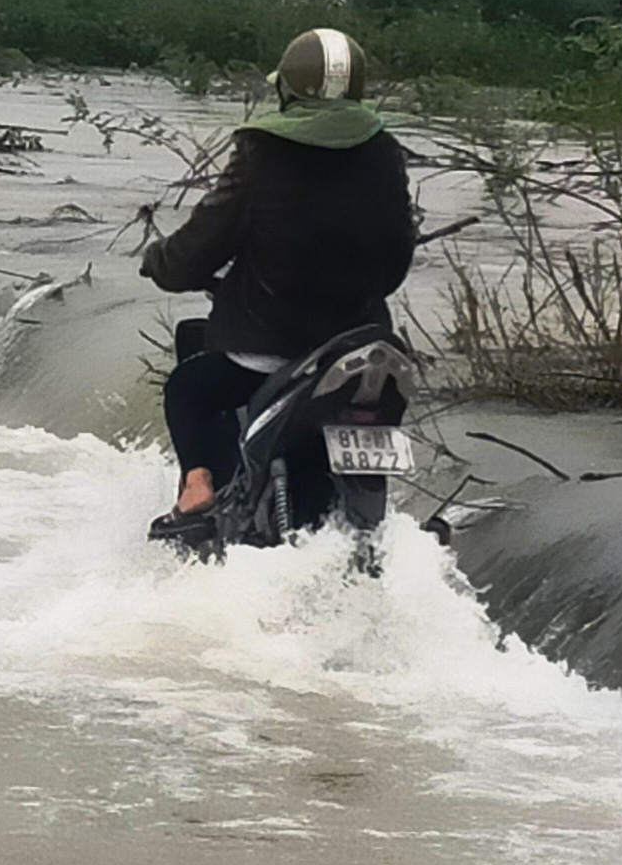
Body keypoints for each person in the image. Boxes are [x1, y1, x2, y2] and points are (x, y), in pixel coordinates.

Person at [140, 28, 417, 538]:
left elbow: (203, 242)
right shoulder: (385, 153)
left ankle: (199, 488)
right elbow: (397, 258)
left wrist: (159, 261)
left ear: (289, 89)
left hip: (270, 351)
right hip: (359, 349)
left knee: (188, 389)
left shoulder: (262, 151)